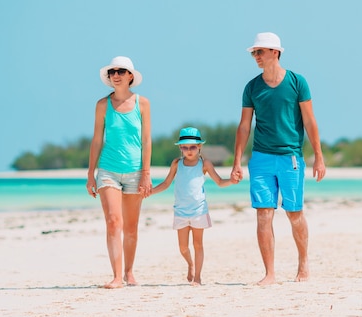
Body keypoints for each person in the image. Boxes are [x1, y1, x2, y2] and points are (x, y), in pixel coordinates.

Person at [230, 32, 326, 286]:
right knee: (263, 214)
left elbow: (309, 121)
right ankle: (269, 273)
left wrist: (318, 156)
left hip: (290, 157)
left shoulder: (297, 82)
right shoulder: (252, 87)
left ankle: (303, 263)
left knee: (294, 214)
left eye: (259, 52)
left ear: (275, 52)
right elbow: (243, 126)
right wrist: (237, 161)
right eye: (254, 53)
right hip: (260, 158)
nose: (256, 57)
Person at [86, 56, 153, 289]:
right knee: (114, 222)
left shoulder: (142, 103)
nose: (116, 75)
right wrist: (90, 174)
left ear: (130, 76)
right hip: (108, 171)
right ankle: (116, 276)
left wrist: (146, 173)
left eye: (121, 71)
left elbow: (146, 140)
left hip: (136, 171)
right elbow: (96, 140)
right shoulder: (102, 105)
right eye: (113, 71)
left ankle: (129, 272)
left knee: (131, 227)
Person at [152, 127, 238, 286]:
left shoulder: (204, 163)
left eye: (192, 147)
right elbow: (166, 183)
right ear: (180, 148)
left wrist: (232, 181)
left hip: (199, 211)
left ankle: (197, 277)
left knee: (198, 245)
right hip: (180, 211)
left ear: (199, 147)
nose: (189, 150)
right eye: (185, 147)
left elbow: (219, 182)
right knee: (183, 247)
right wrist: (150, 192)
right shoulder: (177, 164)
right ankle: (190, 264)